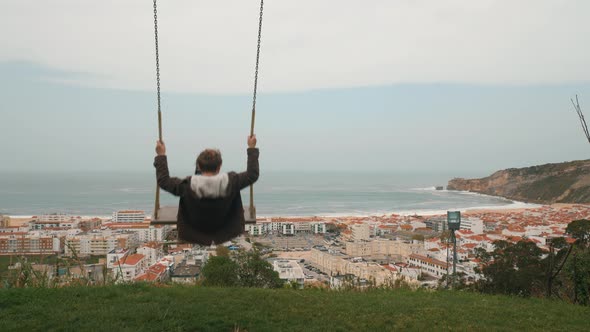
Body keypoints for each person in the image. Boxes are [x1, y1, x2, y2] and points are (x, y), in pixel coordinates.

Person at [153, 135, 259, 245]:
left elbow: (164, 181)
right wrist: (251, 147)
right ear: (219, 166)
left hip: (193, 233)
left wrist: (161, 154)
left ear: (198, 166)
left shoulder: (186, 186)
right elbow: (252, 175)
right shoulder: (231, 182)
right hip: (227, 231)